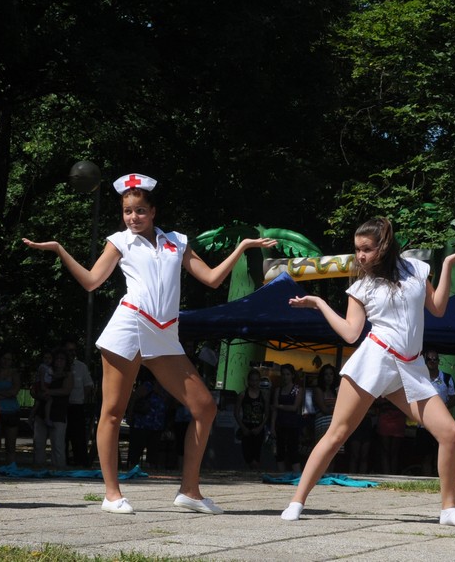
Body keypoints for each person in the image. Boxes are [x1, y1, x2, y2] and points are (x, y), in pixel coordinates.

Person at [23, 172, 276, 515]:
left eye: (140, 210)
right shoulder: (120, 241)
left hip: (165, 333)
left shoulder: (177, 241)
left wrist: (242, 248)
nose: (133, 217)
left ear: (153, 211)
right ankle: (112, 494)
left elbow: (212, 279)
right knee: (113, 412)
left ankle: (190, 491)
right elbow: (92, 281)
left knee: (205, 407)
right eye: (127, 211)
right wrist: (59, 249)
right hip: (128, 326)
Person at [281, 217, 455, 526]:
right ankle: (297, 501)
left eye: (366, 249)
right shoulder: (362, 287)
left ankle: (448, 509)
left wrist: (448, 265)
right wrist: (319, 303)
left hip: (410, 367)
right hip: (375, 360)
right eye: (357, 250)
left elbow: (438, 309)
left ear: (384, 246)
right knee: (337, 434)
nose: (360, 256)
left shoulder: (417, 269)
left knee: (450, 433)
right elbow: (350, 334)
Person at [416, 350, 455, 476]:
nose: (432, 362)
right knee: (426, 456)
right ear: (425, 361)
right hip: (424, 424)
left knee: (440, 454)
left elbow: (454, 398)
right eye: (429, 359)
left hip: (442, 423)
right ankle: (426, 479)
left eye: (434, 359)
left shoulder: (447, 378)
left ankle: (440, 479)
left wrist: (444, 407)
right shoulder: (420, 378)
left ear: (439, 361)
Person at [33, 349, 72, 467]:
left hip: (58, 413)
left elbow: (66, 390)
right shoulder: (45, 371)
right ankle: (38, 468)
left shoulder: (68, 375)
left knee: (57, 445)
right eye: (57, 358)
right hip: (42, 411)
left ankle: (59, 469)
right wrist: (40, 393)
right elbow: (35, 389)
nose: (59, 361)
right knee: (38, 443)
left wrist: (48, 392)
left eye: (62, 359)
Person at [125, 368, 168, 470]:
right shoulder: (147, 386)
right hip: (142, 423)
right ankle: (133, 466)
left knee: (154, 448)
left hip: (157, 424)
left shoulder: (166, 388)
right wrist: (129, 415)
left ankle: (151, 467)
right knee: (137, 446)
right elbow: (134, 399)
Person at [0, 351, 22, 465]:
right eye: (4, 358)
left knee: (10, 445)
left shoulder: (14, 374)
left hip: (11, 412)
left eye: (8, 359)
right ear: (0, 360)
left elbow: (14, 392)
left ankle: (11, 468)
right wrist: (6, 394)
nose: (6, 361)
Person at [65, 341, 95, 467]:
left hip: (76, 405)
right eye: (69, 350)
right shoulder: (58, 364)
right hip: (61, 406)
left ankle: (80, 462)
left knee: (78, 437)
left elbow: (88, 385)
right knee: (62, 437)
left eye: (74, 350)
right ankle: (63, 462)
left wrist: (81, 398)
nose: (72, 353)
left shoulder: (81, 366)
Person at [270, 363, 304, 473]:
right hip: (280, 424)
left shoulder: (297, 389)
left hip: (293, 425)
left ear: (292, 375)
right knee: (279, 452)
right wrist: (272, 427)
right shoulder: (278, 390)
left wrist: (279, 406)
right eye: (283, 374)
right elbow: (274, 411)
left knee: (293, 451)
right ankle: (282, 475)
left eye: (288, 374)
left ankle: (297, 476)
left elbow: (294, 407)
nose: (285, 377)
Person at [234, 368, 269, 470]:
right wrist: (243, 427)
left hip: (258, 427)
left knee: (256, 455)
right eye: (252, 380)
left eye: (256, 380)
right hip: (246, 426)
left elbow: (267, 414)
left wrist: (260, 427)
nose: (254, 383)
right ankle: (254, 472)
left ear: (259, 381)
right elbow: (236, 413)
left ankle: (255, 473)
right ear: (249, 381)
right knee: (247, 455)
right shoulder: (242, 395)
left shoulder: (264, 395)